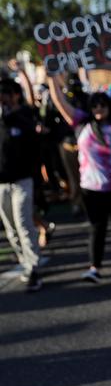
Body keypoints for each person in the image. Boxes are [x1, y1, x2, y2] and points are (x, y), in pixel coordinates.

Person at [48, 75, 111, 282]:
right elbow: (61, 102)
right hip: (91, 187)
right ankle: (94, 267)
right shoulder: (82, 122)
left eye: (102, 104)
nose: (98, 109)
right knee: (97, 227)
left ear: (109, 106)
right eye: (94, 105)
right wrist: (52, 78)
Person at [0, 78, 43, 291]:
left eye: (6, 93)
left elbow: (35, 145)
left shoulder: (23, 117)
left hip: (22, 180)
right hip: (1, 183)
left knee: (24, 224)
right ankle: (24, 261)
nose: (3, 97)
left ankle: (34, 267)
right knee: (11, 229)